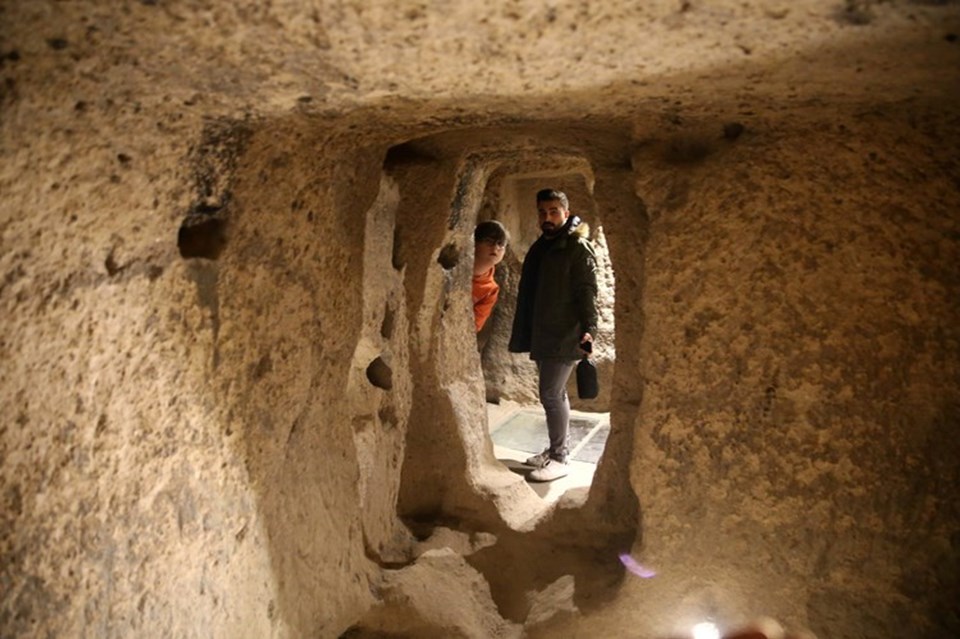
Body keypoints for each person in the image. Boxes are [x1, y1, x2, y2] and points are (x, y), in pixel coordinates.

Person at [508, 189, 598, 482]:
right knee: (554, 393)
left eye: (554, 211)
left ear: (566, 212)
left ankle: (561, 458)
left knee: (550, 393)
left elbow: (587, 291)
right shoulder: (546, 245)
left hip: (564, 332)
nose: (547, 217)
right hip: (545, 330)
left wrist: (589, 330)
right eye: (542, 212)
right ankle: (556, 448)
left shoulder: (575, 246)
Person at [472, 220, 508, 334]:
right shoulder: (455, 266)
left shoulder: (491, 290)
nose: (495, 247)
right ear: (474, 243)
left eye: (500, 244)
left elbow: (473, 326)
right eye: (488, 241)